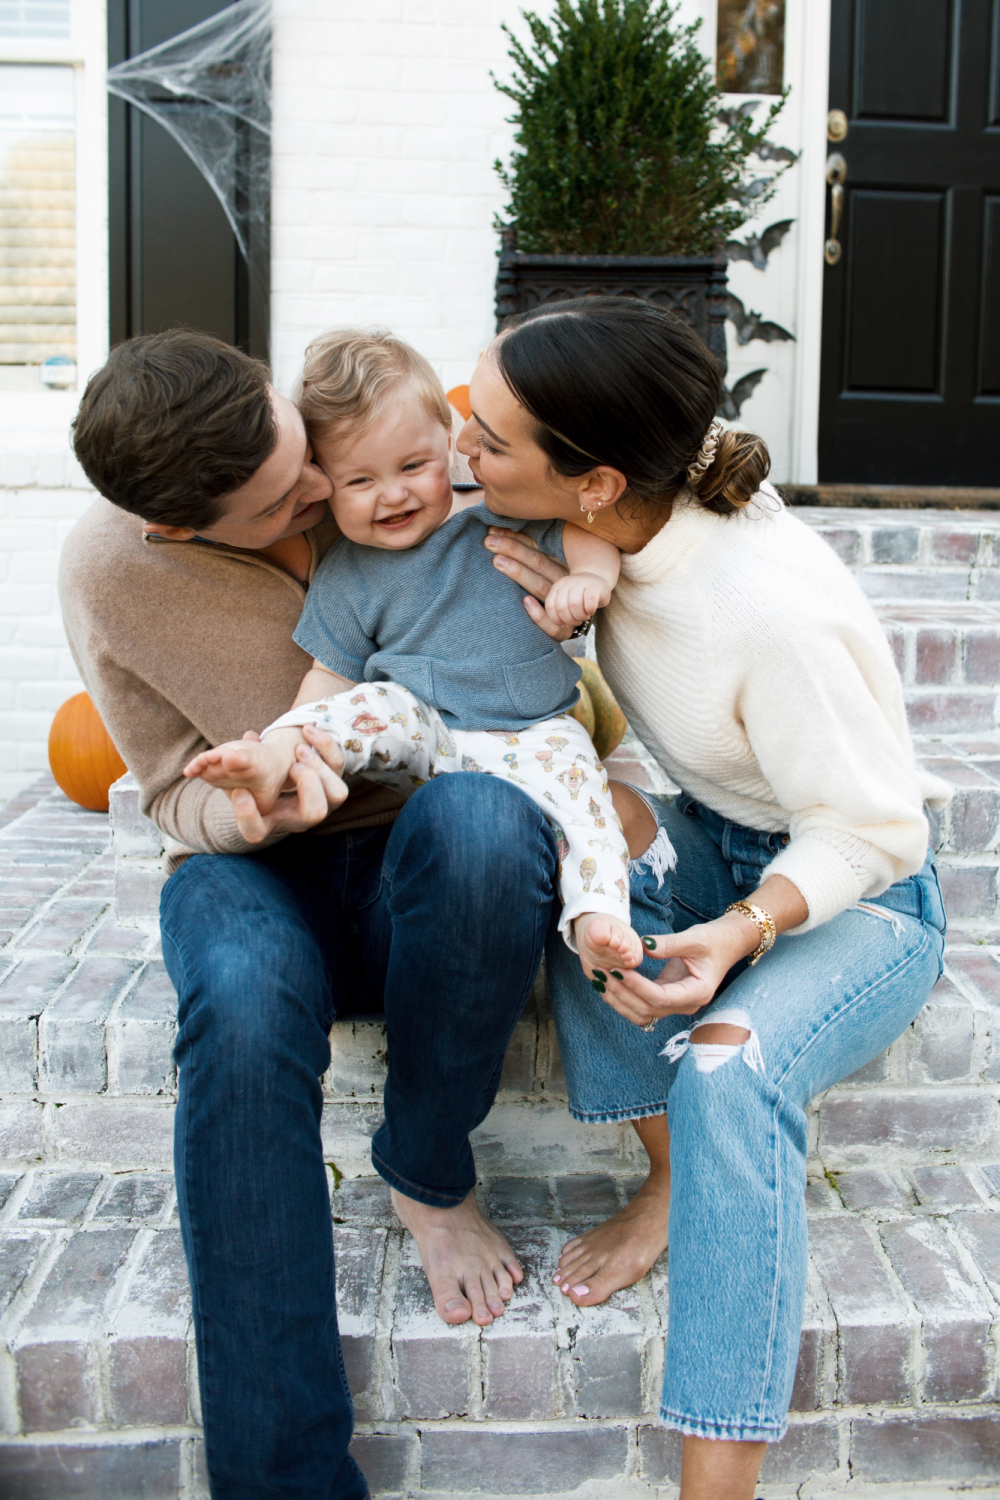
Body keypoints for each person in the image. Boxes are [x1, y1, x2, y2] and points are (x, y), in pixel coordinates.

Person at [59, 329, 667, 1500]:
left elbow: (555, 659)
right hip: (257, 870)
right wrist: (249, 812)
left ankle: (429, 1174)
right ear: (183, 528)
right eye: (284, 499)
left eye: (302, 458)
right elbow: (163, 793)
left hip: (425, 851)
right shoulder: (115, 573)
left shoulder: (382, 455)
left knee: (489, 821)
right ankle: (285, 1481)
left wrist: (583, 674)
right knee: (237, 1009)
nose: (317, 496)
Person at [459, 296, 949, 1500]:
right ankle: (671, 1181)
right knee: (578, 869)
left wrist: (740, 934)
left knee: (727, 1069)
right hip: (712, 837)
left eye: (489, 440)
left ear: (594, 483)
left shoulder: (764, 611)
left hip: (853, 895)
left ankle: (715, 1482)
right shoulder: (637, 512)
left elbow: (877, 831)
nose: (462, 450)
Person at [185, 327, 650, 975]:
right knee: (371, 703)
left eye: (412, 467)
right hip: (428, 743)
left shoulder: (499, 513)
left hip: (535, 729)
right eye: (360, 481)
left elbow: (579, 532)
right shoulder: (347, 575)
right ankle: (273, 760)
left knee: (588, 804)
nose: (394, 494)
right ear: (322, 480)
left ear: (451, 442)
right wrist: (292, 734)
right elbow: (328, 677)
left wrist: (590, 580)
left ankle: (599, 916)